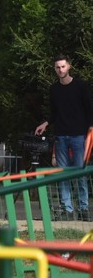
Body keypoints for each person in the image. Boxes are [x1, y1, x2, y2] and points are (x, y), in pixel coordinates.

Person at [34, 54, 93, 220]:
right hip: (61, 136)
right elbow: (54, 112)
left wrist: (91, 129)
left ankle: (83, 209)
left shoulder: (81, 86)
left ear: (69, 67)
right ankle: (67, 209)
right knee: (62, 175)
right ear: (55, 69)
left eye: (63, 66)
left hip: (79, 136)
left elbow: (89, 109)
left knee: (80, 174)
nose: (60, 70)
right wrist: (46, 123)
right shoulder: (54, 89)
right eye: (57, 67)